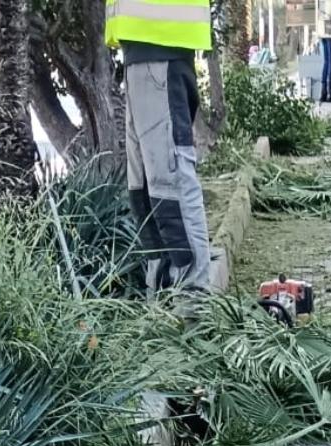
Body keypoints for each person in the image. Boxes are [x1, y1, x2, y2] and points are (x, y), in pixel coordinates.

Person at [105, 0, 213, 290]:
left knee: (170, 189)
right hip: (144, 52)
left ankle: (192, 306)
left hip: (160, 47)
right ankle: (166, 299)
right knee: (144, 192)